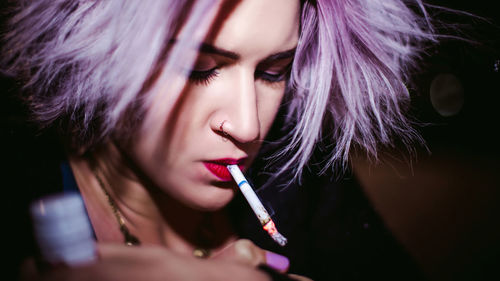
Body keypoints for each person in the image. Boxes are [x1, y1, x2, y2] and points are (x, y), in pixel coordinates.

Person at [1, 0, 437, 280]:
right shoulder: (18, 186)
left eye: (272, 72)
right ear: (98, 51)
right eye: (198, 67)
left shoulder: (296, 172)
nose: (247, 127)